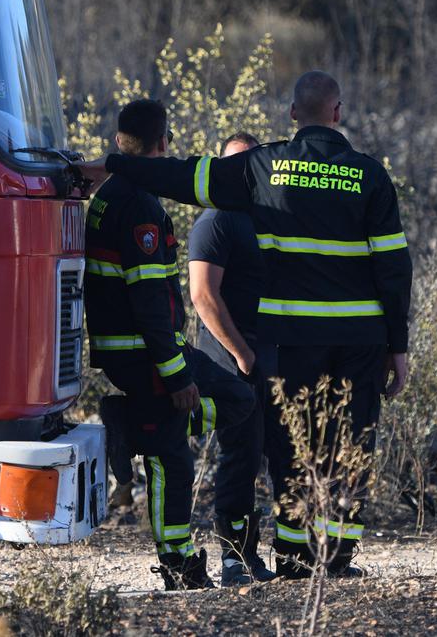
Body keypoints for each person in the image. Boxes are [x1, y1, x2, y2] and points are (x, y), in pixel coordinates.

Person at [75, 72, 412, 579]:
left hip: (293, 339)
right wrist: (398, 345)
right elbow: (394, 266)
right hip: (361, 339)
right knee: (352, 441)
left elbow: (182, 177)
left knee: (292, 444)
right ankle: (338, 559)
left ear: (293, 114)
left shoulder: (264, 167)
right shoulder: (371, 176)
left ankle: (295, 559)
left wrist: (115, 166)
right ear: (338, 114)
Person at [84, 100, 255, 590]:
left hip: (141, 350)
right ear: (164, 143)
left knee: (240, 399)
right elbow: (148, 302)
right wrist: (176, 374)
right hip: (146, 354)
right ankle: (178, 564)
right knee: (172, 462)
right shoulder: (138, 203)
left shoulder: (112, 193)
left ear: (120, 142)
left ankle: (130, 425)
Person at [188, 131, 278, 586]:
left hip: (271, 356)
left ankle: (288, 557)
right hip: (231, 361)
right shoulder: (217, 220)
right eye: (233, 164)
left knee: (274, 453)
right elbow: (203, 295)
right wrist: (242, 353)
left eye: (250, 163)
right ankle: (235, 560)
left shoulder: (267, 216)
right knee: (239, 457)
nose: (241, 173)